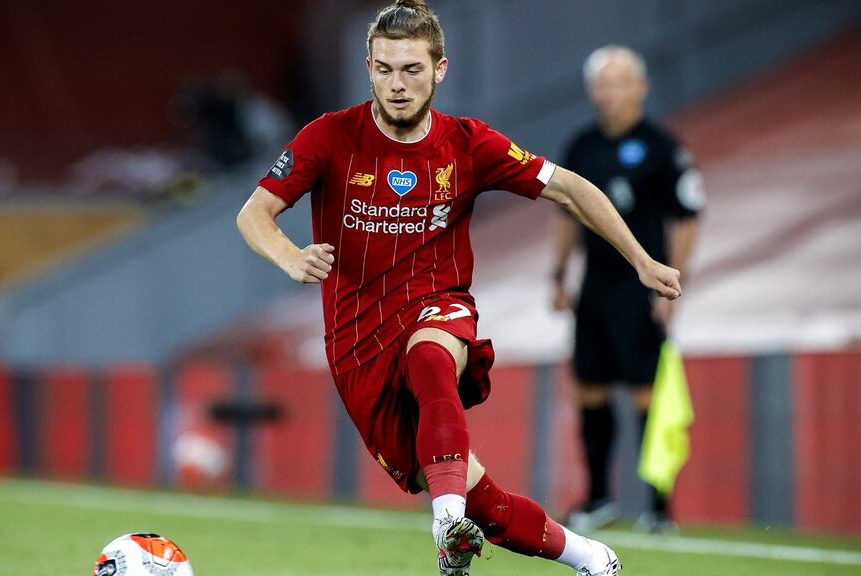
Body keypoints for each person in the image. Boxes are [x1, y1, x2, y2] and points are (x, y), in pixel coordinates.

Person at [237, 2, 680, 574]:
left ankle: (445, 523)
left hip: (437, 306)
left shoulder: (469, 144)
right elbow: (254, 214)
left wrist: (642, 260)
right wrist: (291, 257)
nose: (397, 85)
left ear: (440, 70)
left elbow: (571, 190)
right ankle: (592, 557)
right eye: (385, 69)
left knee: (430, 357)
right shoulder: (328, 137)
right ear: (368, 66)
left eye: (412, 70)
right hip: (355, 340)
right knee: (486, 506)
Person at [552, 46, 703, 534]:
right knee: (589, 388)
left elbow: (685, 220)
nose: (610, 91)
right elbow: (567, 217)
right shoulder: (580, 147)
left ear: (641, 87)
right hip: (595, 286)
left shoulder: (663, 148)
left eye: (620, 81)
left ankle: (658, 508)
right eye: (602, 82)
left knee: (646, 392)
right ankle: (599, 498)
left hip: (639, 288)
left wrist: (670, 283)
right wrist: (559, 275)